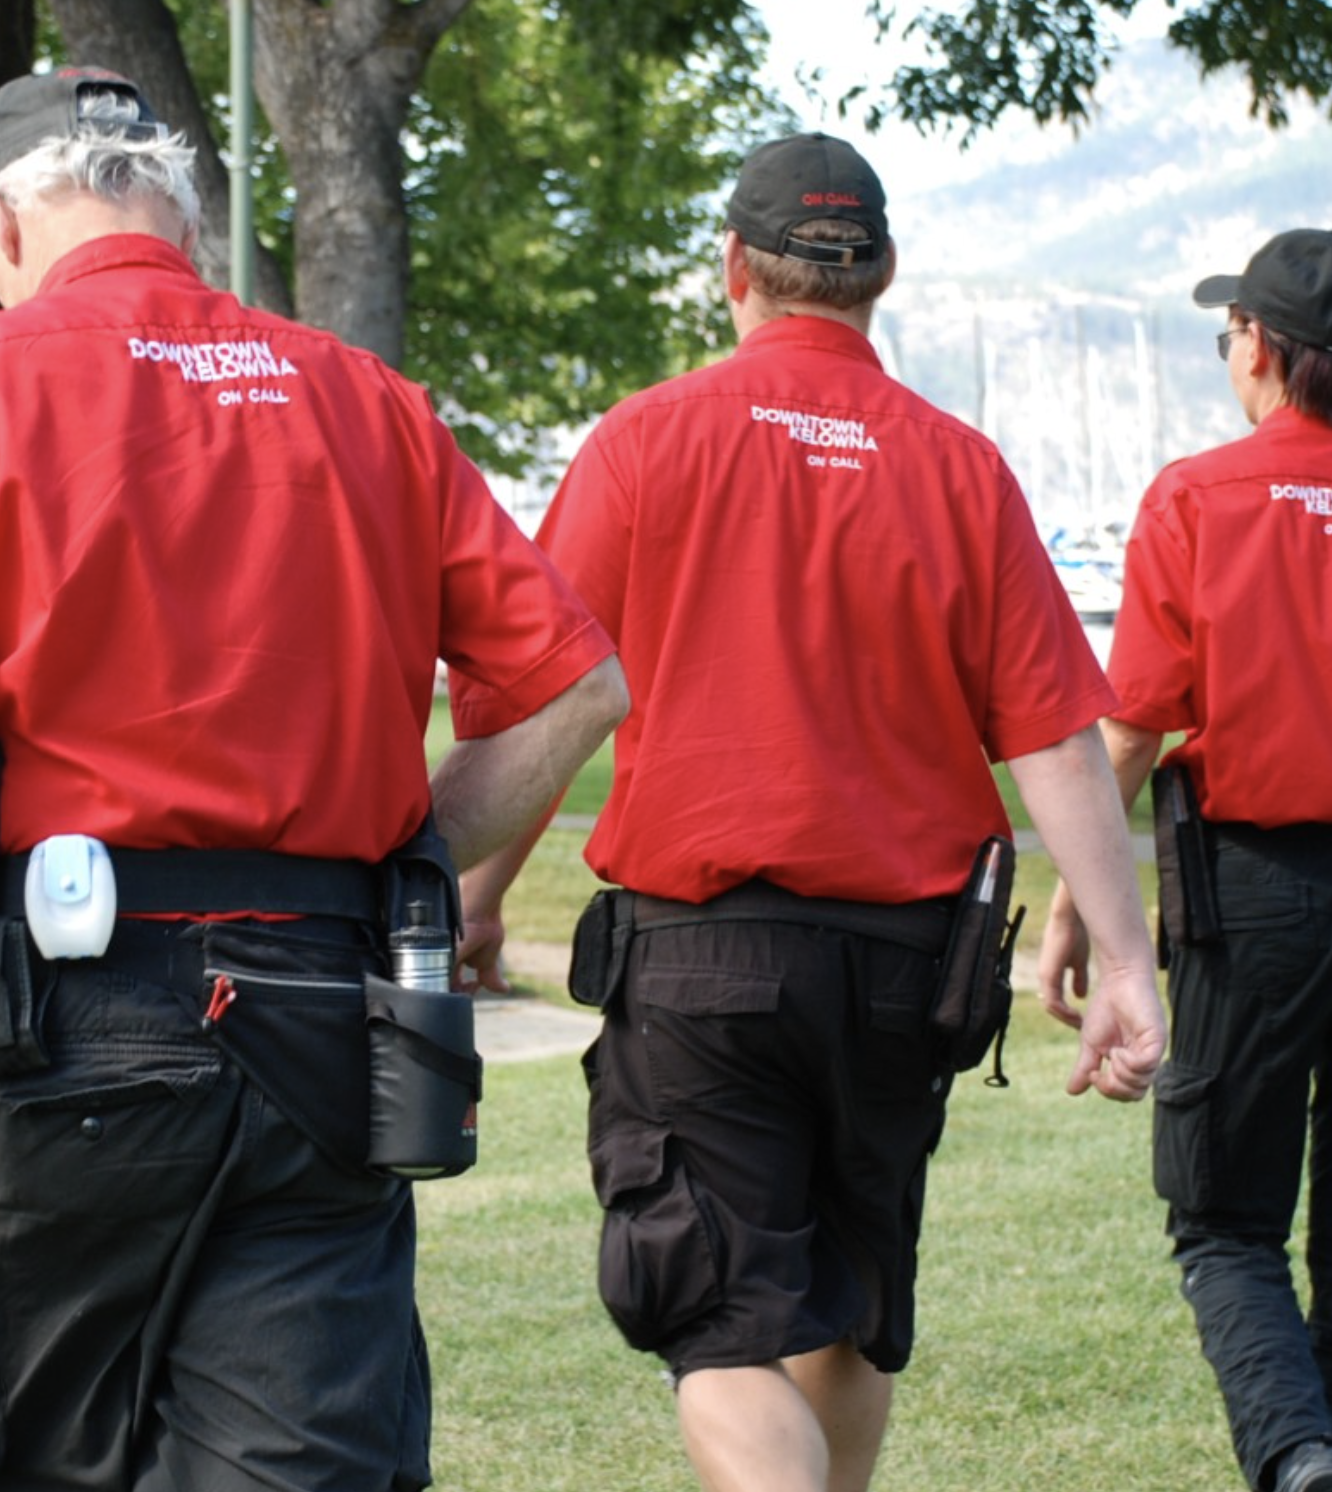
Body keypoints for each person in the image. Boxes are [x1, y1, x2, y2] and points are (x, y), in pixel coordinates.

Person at [0, 68, 627, 1492]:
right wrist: (408, 869)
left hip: (63, 1027)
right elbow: (578, 685)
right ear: (177, 201)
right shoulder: (366, 398)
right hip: (324, 1028)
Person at [453, 132, 1167, 1492]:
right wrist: (1127, 963)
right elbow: (1059, 746)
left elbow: (542, 699)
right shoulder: (960, 466)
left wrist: (477, 901)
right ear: (882, 273)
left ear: (734, 269)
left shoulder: (648, 441)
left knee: (721, 1325)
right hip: (905, 975)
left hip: (702, 956)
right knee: (847, 1313)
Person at [1041, 228, 1332, 1492]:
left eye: (1230, 335)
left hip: (1256, 897)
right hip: (1256, 888)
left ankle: (1296, 1456)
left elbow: (1128, 726)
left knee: (1223, 1219)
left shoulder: (1196, 498)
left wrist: (1071, 912)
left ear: (1258, 349)